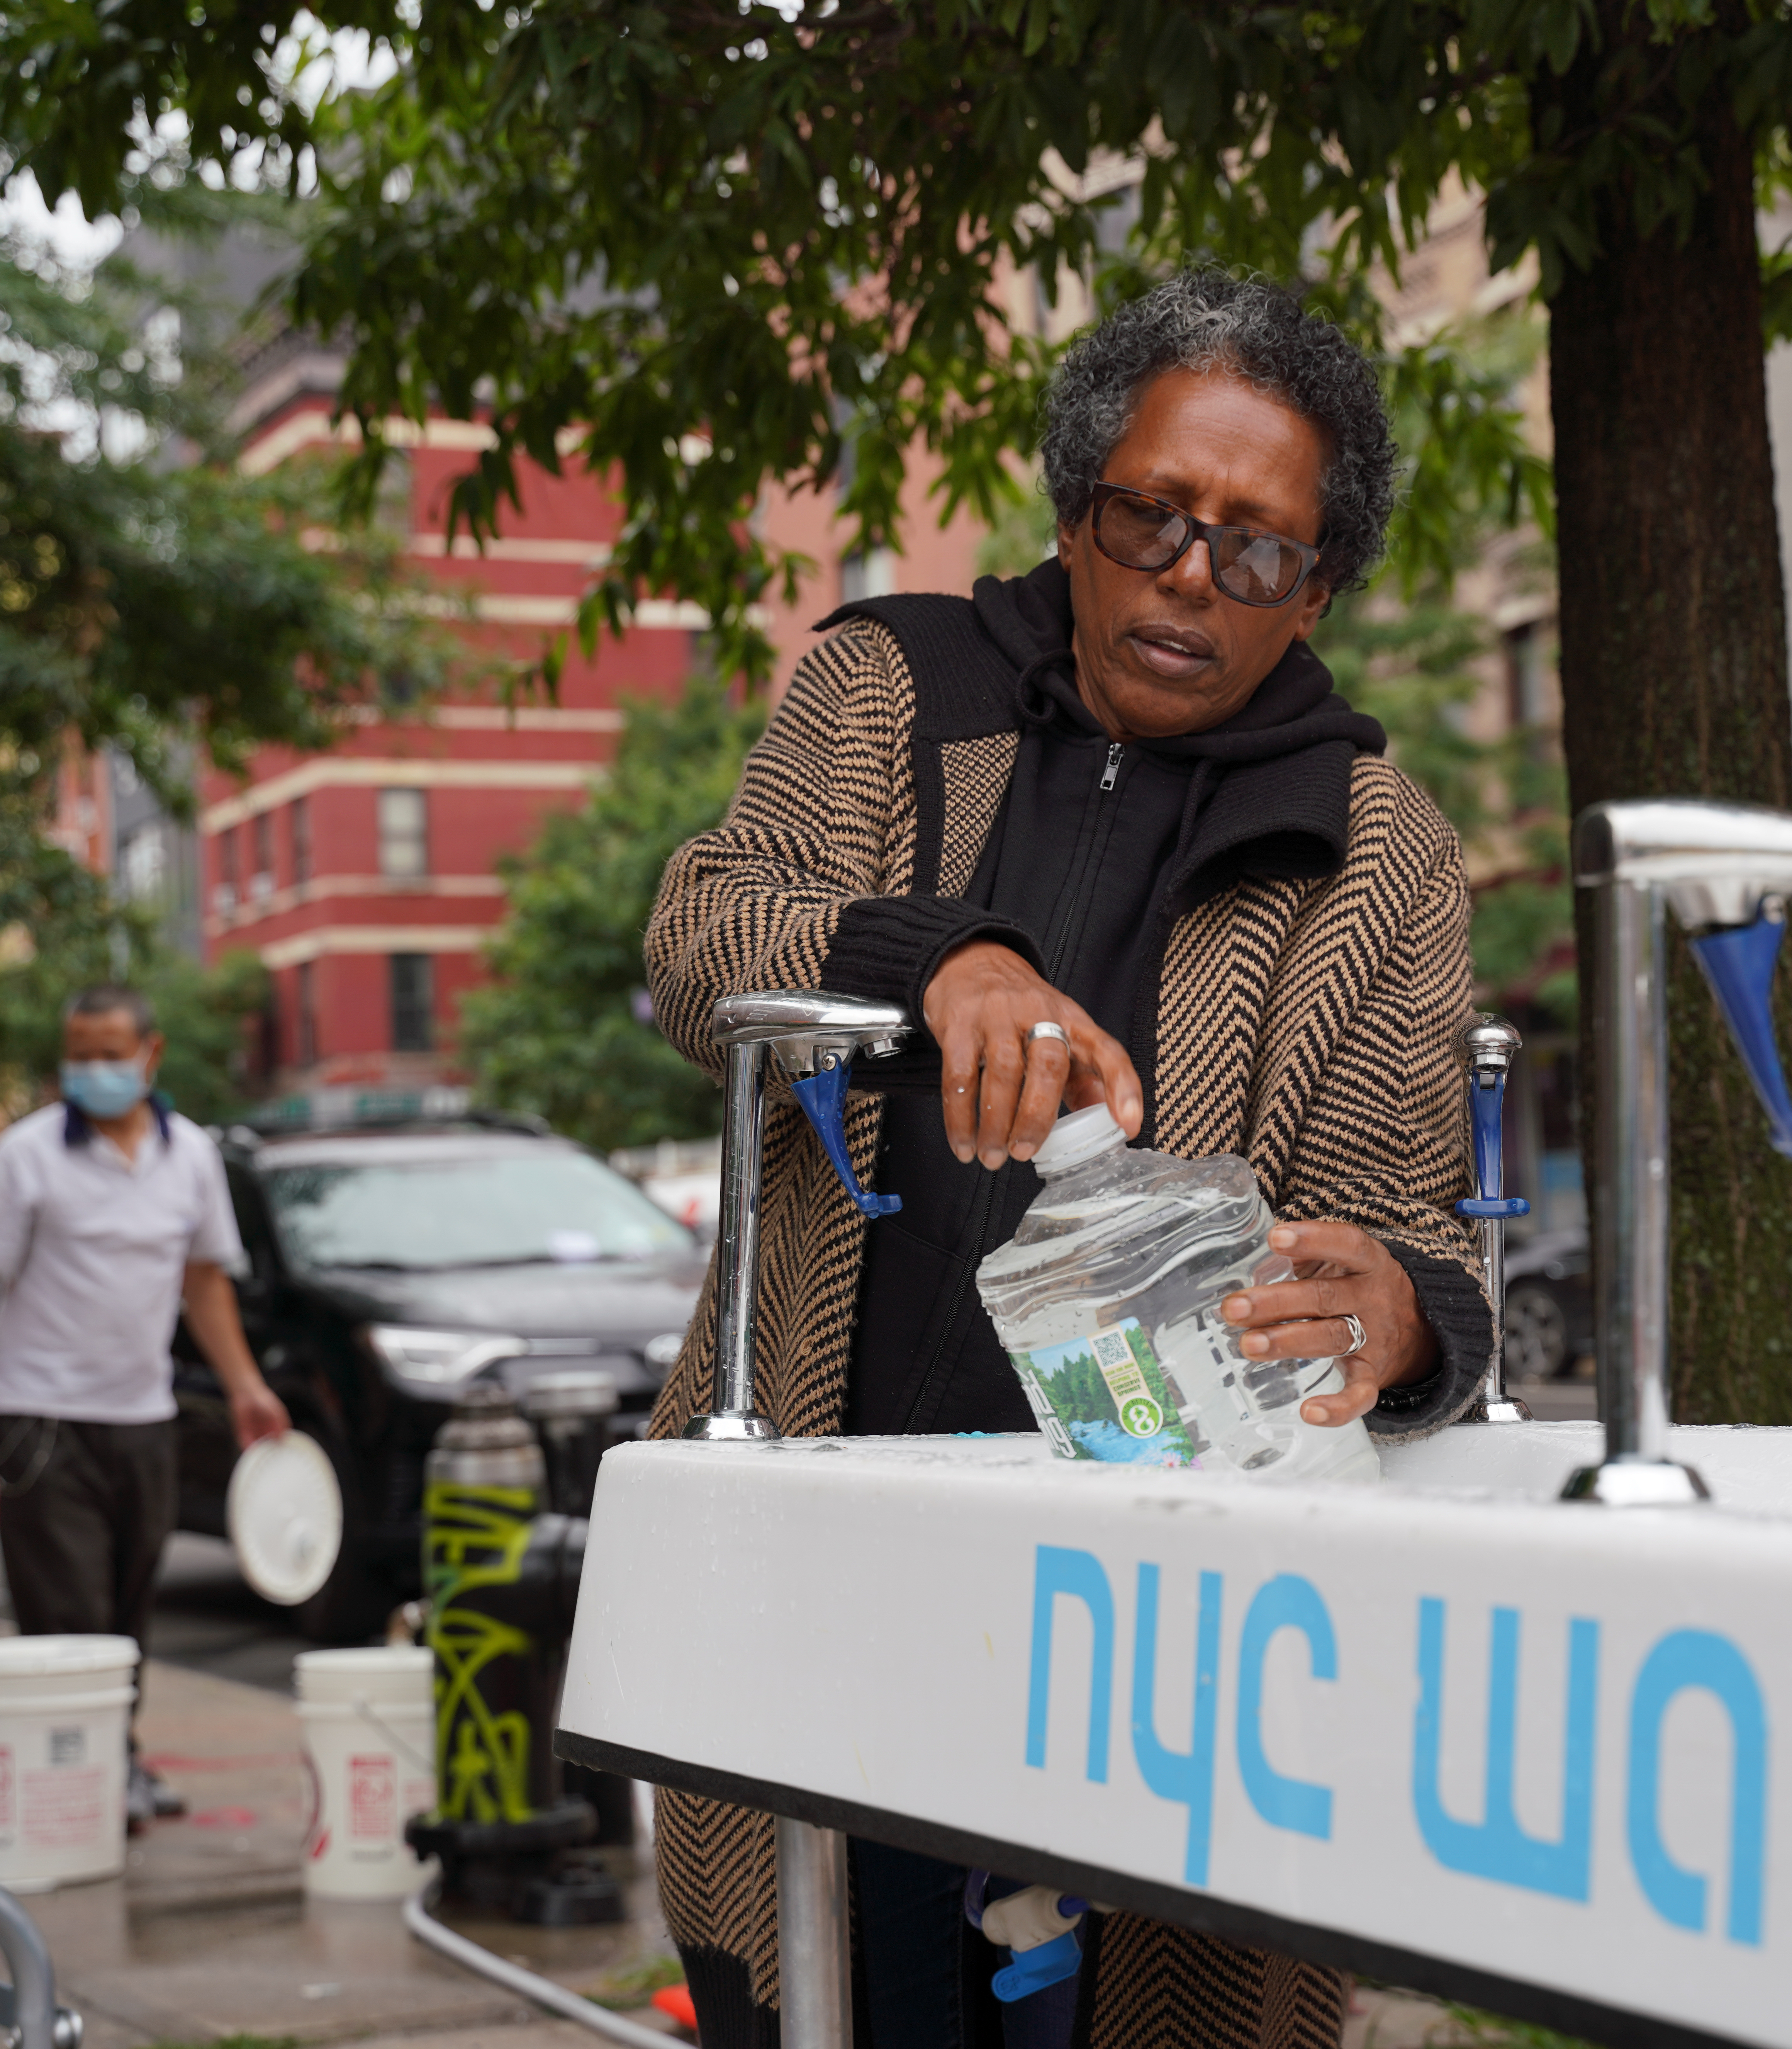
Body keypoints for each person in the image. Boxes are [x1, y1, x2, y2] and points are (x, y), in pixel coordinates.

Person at [643, 273, 1490, 2049]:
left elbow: (1415, 1236)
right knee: (829, 2002)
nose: (1194, 575)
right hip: (833, 1577)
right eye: (1154, 518)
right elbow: (704, 926)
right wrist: (934, 958)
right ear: (1075, 506)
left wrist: (1407, 1314)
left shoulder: (1380, 848)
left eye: (1259, 549)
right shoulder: (891, 685)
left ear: (1319, 586)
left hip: (1164, 1657)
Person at [0, 983, 290, 1828]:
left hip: (144, 1415)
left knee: (129, 1610)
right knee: (70, 1611)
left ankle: (111, 1758)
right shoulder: (28, 1155)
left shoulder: (190, 1156)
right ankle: (82, 1778)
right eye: (78, 1055)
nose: (92, 1070)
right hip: (40, 1417)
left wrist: (246, 1388)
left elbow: (204, 1282)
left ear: (149, 1056)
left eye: (108, 1054)